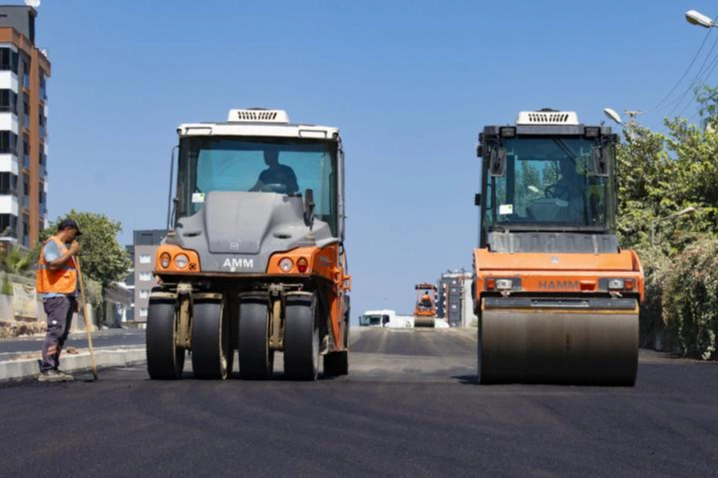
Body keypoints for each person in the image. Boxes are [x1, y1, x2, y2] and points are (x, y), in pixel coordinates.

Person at [35, 219, 82, 382]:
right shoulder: (53, 244)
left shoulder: (63, 247)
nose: (73, 238)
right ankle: (47, 369)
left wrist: (74, 297)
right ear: (68, 229)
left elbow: (67, 274)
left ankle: (54, 366)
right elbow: (53, 265)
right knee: (55, 331)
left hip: (66, 296)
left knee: (62, 333)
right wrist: (71, 252)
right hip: (56, 296)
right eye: (74, 234)